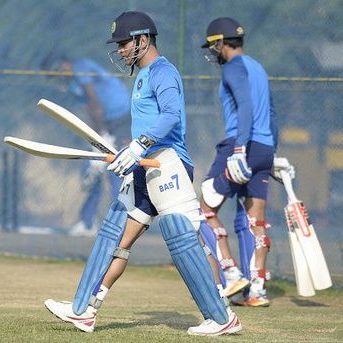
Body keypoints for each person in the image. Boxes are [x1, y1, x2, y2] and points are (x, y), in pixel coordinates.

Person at [44, 11, 242, 336]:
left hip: (167, 163)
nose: (120, 49)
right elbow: (147, 124)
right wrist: (129, 152)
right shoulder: (142, 75)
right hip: (145, 166)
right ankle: (84, 310)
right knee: (114, 234)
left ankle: (221, 317)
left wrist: (139, 146)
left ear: (142, 39)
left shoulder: (164, 72)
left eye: (124, 43)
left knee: (184, 236)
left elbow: (171, 116)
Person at [198, 17, 295, 307]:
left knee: (202, 210)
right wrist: (271, 152)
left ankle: (230, 272)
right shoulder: (258, 68)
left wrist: (239, 149)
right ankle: (257, 291)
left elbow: (245, 107)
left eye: (213, 45)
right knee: (257, 220)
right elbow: (272, 114)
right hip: (264, 147)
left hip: (241, 145)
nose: (213, 52)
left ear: (220, 43)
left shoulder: (232, 68)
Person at [42, 55, 131, 237]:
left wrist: (104, 136)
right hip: (104, 126)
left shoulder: (81, 66)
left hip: (122, 121)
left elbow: (94, 101)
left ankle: (121, 223)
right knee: (91, 171)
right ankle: (87, 221)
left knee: (117, 170)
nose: (59, 77)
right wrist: (98, 137)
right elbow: (90, 111)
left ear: (64, 64)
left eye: (57, 72)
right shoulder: (73, 85)